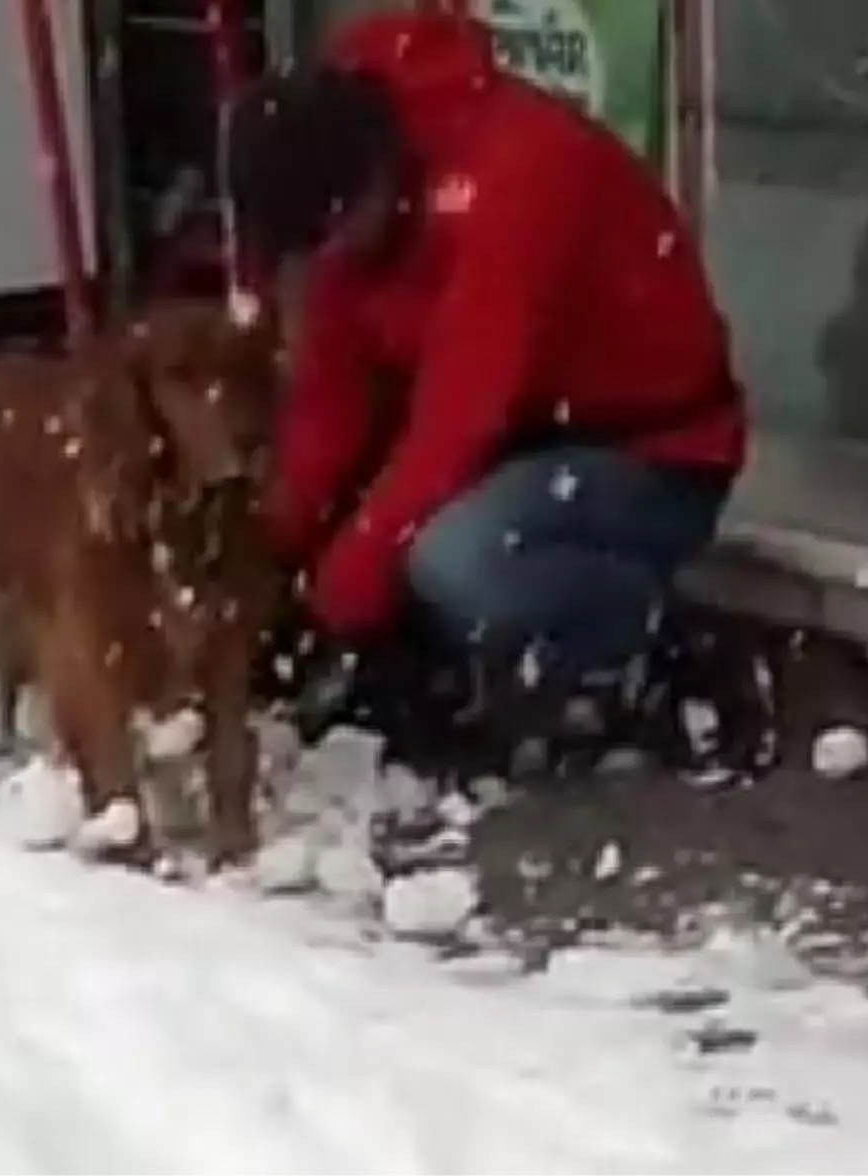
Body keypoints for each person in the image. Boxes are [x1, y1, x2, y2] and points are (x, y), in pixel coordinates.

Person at [226, 11, 746, 724]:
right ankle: (487, 664)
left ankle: (663, 647)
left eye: (327, 238)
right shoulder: (347, 210)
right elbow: (329, 403)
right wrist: (276, 550)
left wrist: (341, 592)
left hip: (653, 452)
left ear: (371, 177)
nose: (325, 263)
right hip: (521, 442)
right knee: (376, 537)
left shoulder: (521, 172)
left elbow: (459, 417)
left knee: (454, 558)